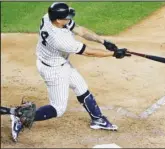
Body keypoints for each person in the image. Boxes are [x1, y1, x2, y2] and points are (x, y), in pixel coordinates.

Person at [10, 2, 131, 142]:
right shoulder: (60, 39)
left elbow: (80, 30)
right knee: (58, 108)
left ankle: (97, 119)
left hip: (60, 63)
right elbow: (88, 52)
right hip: (53, 70)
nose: (69, 19)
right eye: (66, 17)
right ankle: (20, 118)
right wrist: (114, 54)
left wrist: (103, 41)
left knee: (81, 87)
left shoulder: (49, 18)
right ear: (58, 19)